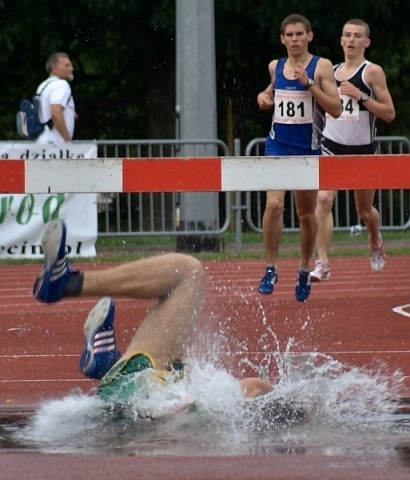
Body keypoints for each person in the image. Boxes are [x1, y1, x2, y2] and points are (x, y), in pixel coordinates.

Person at [32, 220, 274, 404]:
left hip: (142, 388)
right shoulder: (219, 405)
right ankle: (108, 364)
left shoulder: (223, 410)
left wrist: (296, 401)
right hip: (143, 387)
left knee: (188, 272)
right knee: (182, 367)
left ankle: (68, 283)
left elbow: (256, 389)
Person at [257, 14, 342, 302]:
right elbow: (272, 91)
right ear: (282, 39)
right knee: (274, 203)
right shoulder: (276, 66)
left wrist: (309, 86)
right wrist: (264, 97)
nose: (294, 39)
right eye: (289, 35)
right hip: (277, 147)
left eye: (299, 34)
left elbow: (336, 109)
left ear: (309, 36)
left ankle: (304, 267)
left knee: (306, 215)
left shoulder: (322, 67)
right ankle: (270, 268)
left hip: (308, 150)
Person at [310, 19, 396, 282]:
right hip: (331, 149)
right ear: (340, 40)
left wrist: (361, 96)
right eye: (347, 35)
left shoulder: (372, 72)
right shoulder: (329, 72)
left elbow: (390, 113)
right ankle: (322, 261)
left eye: (357, 36)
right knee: (323, 200)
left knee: (364, 212)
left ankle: (375, 239)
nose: (351, 40)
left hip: (363, 153)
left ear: (366, 42)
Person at [36, 52, 76, 144]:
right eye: (67, 65)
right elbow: (55, 112)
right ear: (54, 68)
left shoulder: (43, 86)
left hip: (42, 140)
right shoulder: (61, 84)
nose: (72, 68)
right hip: (56, 144)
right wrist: (67, 140)